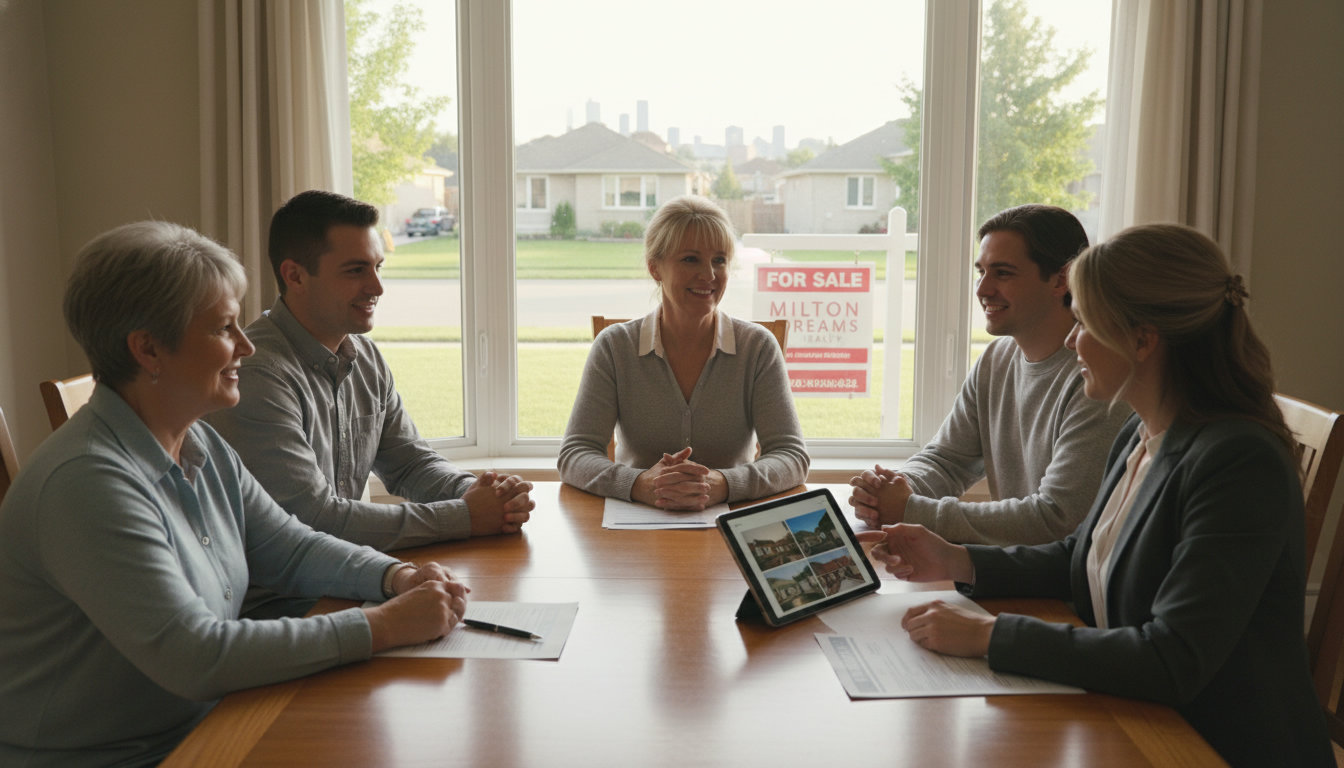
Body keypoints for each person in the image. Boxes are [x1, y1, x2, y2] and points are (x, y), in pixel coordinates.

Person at [858, 224, 1333, 767]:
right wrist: (956, 559)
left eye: (1082, 321)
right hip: (1135, 714)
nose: (1068, 340)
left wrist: (991, 636)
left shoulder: (1238, 461)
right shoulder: (1142, 432)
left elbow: (1173, 658)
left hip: (1208, 745)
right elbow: (1081, 557)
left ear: (1141, 338)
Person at [0, 222, 469, 767]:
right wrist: (383, 625)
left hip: (207, 724)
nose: (246, 345)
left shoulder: (195, 439)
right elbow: (196, 656)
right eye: (225, 328)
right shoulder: (87, 484)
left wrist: (395, 576)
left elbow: (290, 546)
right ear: (148, 349)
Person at [204, 191, 532, 617]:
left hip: (348, 585)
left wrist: (478, 493)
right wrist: (466, 516)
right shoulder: (257, 372)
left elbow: (410, 463)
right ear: (296, 276)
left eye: (377, 267)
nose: (377, 287)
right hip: (281, 608)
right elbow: (315, 520)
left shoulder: (364, 356)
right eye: (356, 270)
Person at [849, 204, 1131, 546]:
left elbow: (1057, 518)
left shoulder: (1098, 377)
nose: (982, 289)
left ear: (1062, 279)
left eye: (1003, 273)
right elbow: (947, 460)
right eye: (981, 271)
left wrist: (910, 509)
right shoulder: (996, 359)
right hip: (1015, 573)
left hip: (1060, 590)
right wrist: (895, 488)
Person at [559, 195, 808, 508]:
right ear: (655, 269)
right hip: (634, 530)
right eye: (691, 259)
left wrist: (722, 484)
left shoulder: (757, 347)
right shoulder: (614, 346)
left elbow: (792, 456)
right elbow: (575, 454)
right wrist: (639, 484)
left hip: (730, 527)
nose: (709, 275)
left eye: (719, 260)